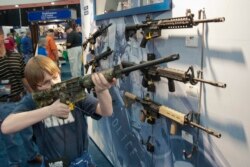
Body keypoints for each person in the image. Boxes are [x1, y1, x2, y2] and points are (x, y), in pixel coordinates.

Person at [1, 55, 116, 166]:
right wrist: (49, 110)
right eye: (46, 82)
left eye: (55, 77)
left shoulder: (72, 91)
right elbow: (6, 127)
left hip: (81, 161)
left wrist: (102, 91)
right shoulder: (32, 101)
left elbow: (106, 111)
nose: (54, 84)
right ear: (35, 87)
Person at [0, 26, 42, 167]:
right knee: (9, 138)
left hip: (21, 99)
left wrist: (33, 94)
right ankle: (14, 162)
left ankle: (32, 155)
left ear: (2, 36)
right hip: (3, 103)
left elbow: (23, 77)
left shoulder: (16, 56)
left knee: (27, 131)